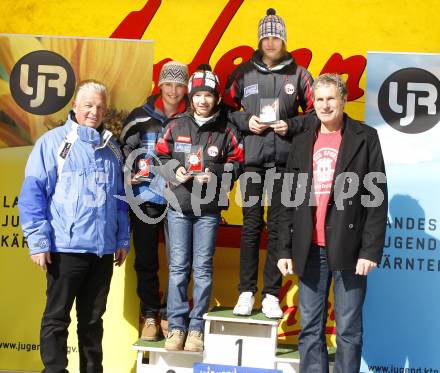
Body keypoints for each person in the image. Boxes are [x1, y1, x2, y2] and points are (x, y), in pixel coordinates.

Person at [277, 73, 388, 373]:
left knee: (349, 331)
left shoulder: (365, 138)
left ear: (344, 100)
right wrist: (283, 250)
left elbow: (376, 199)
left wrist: (370, 251)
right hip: (309, 247)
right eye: (320, 99)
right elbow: (288, 199)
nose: (325, 106)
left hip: (350, 250)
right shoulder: (301, 142)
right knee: (310, 329)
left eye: (331, 99)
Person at [18, 80, 130, 373]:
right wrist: (38, 241)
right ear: (75, 107)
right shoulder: (54, 143)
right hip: (65, 248)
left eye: (100, 107)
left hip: (102, 251)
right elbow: (32, 194)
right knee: (57, 317)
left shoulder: (113, 150)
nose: (94, 112)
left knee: (92, 322)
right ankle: (55, 370)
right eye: (88, 106)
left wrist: (122, 239)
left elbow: (120, 199)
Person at [224, 8, 314, 318]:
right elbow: (226, 110)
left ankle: (272, 294)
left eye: (276, 37)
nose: (271, 42)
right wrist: (246, 121)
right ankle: (247, 291)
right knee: (251, 225)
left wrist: (291, 125)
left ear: (284, 41)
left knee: (279, 227)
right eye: (266, 37)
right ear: (260, 40)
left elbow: (315, 114)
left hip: (285, 162)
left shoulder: (299, 74)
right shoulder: (242, 73)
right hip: (252, 162)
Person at [156, 64, 244, 352]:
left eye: (208, 95)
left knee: (203, 269)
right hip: (179, 207)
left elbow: (238, 163)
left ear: (216, 98)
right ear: (190, 98)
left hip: (209, 210)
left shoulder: (227, 130)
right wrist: (174, 173)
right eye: (197, 95)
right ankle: (176, 327)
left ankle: (196, 328)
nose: (202, 100)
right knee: (178, 268)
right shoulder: (176, 124)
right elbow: (159, 156)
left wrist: (216, 174)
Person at [120, 61, 189, 341]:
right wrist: (128, 173)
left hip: (180, 199)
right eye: (168, 84)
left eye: (179, 85)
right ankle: (150, 314)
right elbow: (123, 151)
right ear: (159, 85)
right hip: (145, 198)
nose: (173, 91)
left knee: (179, 262)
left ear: (186, 87)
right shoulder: (140, 117)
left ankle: (173, 318)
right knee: (146, 260)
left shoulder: (193, 116)